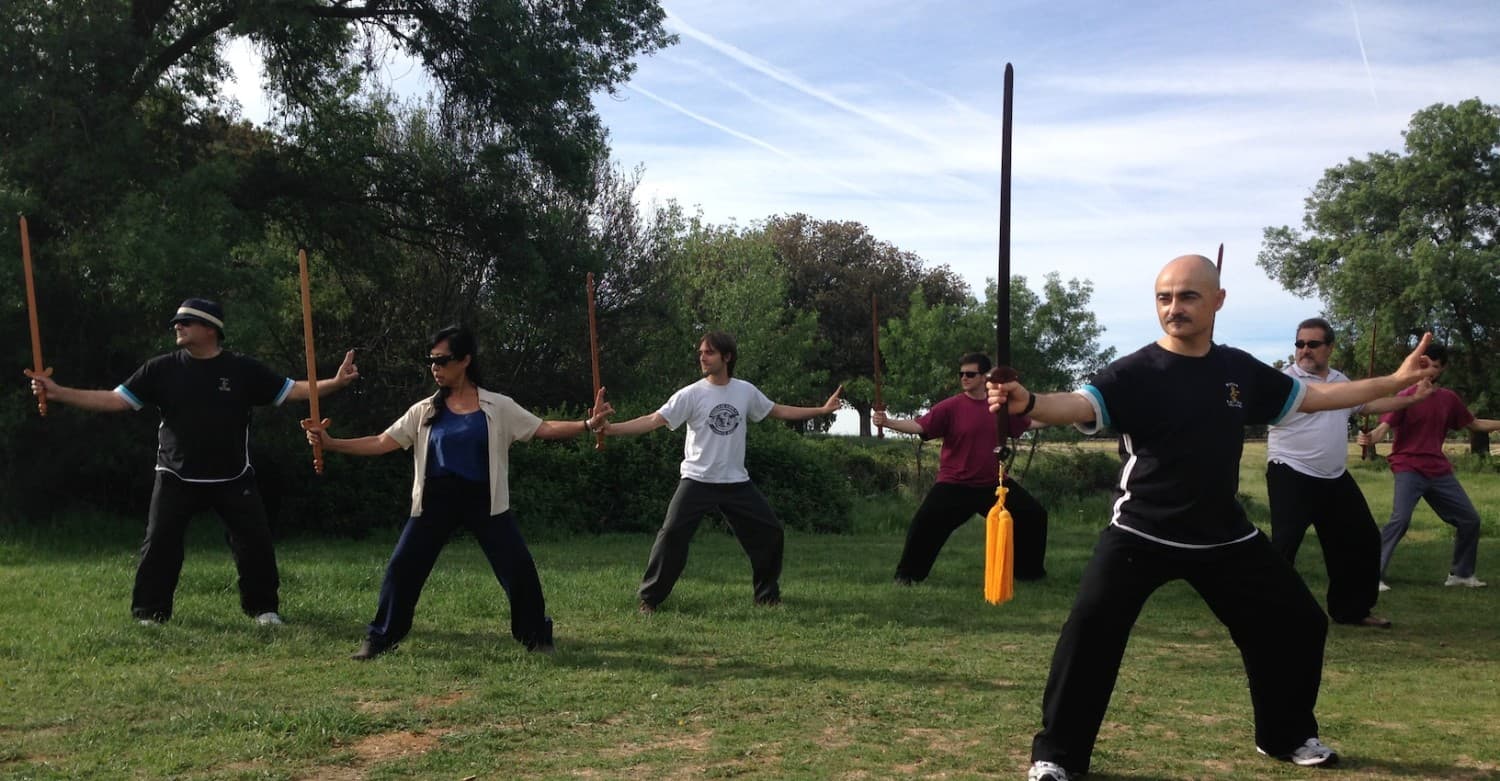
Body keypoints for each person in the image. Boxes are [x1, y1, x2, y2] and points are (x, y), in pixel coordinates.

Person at [985, 255, 1438, 781]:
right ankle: (1056, 757)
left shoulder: (1238, 370)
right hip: (1142, 530)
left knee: (1299, 621)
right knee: (1090, 631)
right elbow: (1077, 405)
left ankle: (1285, 735)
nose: (1173, 308)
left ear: (1218, 300)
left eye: (1188, 296)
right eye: (1164, 297)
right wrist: (1030, 402)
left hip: (1223, 534)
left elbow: (1316, 397)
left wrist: (1391, 382)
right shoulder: (1135, 371)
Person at [29, 298, 358, 626]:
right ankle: (149, 615)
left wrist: (336, 382)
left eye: (185, 322)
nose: (177, 326)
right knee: (159, 544)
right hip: (175, 474)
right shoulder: (161, 369)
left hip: (233, 476)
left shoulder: (242, 370)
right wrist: (59, 392)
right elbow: (116, 399)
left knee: (255, 543)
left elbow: (292, 391)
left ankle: (264, 611)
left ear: (210, 328)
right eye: (177, 322)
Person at [307, 325, 612, 659]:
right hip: (436, 500)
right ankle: (380, 639)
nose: (435, 367)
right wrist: (332, 444)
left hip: (485, 500)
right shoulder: (424, 410)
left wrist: (587, 425)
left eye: (442, 360)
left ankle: (537, 638)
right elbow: (382, 442)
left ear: (465, 360)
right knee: (402, 567)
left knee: (518, 568)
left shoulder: (498, 406)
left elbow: (542, 427)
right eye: (431, 360)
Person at [603, 331, 842, 613]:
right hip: (697, 479)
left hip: (735, 482)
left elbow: (777, 410)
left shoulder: (745, 391)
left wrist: (821, 410)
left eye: (709, 352)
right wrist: (611, 429)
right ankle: (650, 600)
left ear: (726, 357)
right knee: (671, 535)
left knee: (770, 533)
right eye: (701, 352)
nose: (702, 357)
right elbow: (653, 420)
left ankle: (767, 596)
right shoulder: (691, 394)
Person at [1265, 317, 1431, 629]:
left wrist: (1413, 398)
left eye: (1313, 344)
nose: (1304, 350)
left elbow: (1367, 405)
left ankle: (1351, 610)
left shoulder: (1341, 380)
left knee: (1362, 539)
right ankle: (1268, 612)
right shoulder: (1285, 381)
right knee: (1285, 544)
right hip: (1290, 470)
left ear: (1329, 348)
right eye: (1300, 344)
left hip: (1333, 476)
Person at [873, 351, 1048, 584]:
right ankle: (907, 576)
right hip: (955, 484)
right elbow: (919, 425)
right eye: (961, 374)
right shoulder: (950, 407)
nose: (964, 378)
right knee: (924, 525)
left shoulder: (998, 407)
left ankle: (1029, 574)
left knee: (1033, 515)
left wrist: (1066, 416)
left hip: (993, 484)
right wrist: (888, 422)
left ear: (985, 377)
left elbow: (1029, 423)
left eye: (970, 374)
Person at [1357, 343, 1500, 589]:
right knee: (1400, 520)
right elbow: (1383, 428)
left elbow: (1474, 424)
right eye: (1424, 366)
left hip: (1438, 469)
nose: (1428, 371)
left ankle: (1461, 575)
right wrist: (1371, 437)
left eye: (1434, 367)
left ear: (1442, 369)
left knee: (1470, 520)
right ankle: (1372, 574)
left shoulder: (1448, 399)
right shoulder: (1406, 397)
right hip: (1408, 466)